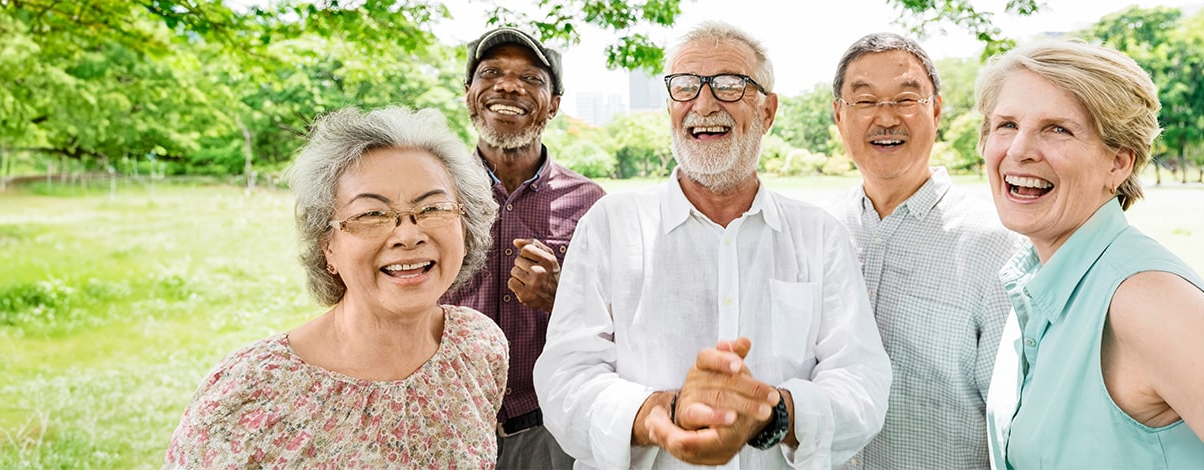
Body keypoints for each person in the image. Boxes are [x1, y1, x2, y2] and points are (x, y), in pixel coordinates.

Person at [533, 21, 892, 469]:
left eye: (729, 86)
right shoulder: (610, 226)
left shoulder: (818, 236)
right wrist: (661, 414)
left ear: (767, 111)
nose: (703, 104)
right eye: (685, 87)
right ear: (669, 106)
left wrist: (771, 413)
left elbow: (861, 382)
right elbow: (566, 378)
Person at [976, 40, 1204, 468]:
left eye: (1058, 129)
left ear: (1118, 164)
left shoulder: (1148, 303)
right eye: (1006, 124)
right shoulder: (1036, 283)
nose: (1019, 149)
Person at [165, 107, 507, 467]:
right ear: (327, 244)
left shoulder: (478, 346)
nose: (408, 235)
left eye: (433, 208)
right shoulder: (250, 391)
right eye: (371, 215)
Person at [824, 33, 1023, 470]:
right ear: (839, 115)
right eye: (865, 101)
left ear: (936, 109)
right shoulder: (819, 233)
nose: (886, 117)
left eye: (906, 99)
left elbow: (1015, 423)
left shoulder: (996, 245)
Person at [445, 26, 606, 469]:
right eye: (491, 72)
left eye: (532, 78)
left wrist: (563, 296)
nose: (509, 86)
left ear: (553, 104)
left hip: (548, 430)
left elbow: (621, 325)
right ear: (469, 93)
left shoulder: (591, 203)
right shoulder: (432, 191)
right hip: (445, 425)